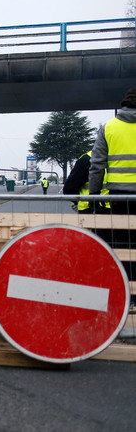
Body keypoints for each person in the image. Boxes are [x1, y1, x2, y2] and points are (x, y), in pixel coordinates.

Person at [88, 87, 136, 306]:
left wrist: (94, 197)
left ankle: (125, 295)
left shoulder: (108, 127)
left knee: (122, 245)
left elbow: (96, 166)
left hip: (119, 198)